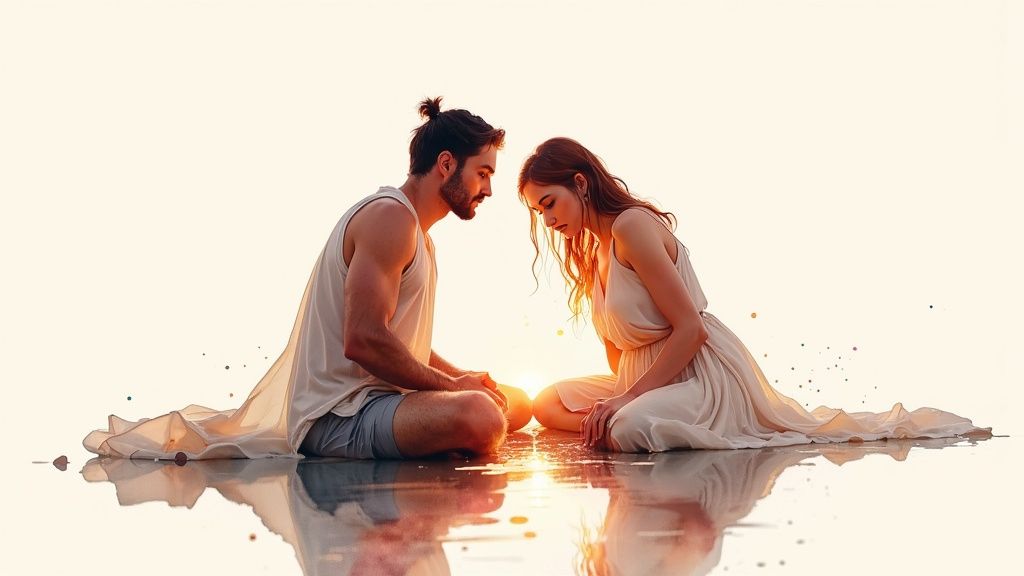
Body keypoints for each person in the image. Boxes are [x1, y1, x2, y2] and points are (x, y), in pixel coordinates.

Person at [84, 97, 531, 460]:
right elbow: (363, 339)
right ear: (447, 164)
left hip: (380, 402)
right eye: (484, 173)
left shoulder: (415, 230)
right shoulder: (389, 219)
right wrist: (453, 390)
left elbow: (397, 336)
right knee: (482, 416)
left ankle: (447, 426)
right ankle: (448, 431)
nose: (488, 190)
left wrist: (461, 375)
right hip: (339, 416)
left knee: (515, 401)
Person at [519, 137, 988, 452]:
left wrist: (624, 402)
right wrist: (619, 392)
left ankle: (647, 417)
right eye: (539, 211)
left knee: (624, 426)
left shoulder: (631, 227)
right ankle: (633, 415)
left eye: (549, 204)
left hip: (698, 373)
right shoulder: (593, 251)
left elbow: (692, 330)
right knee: (548, 402)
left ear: (580, 183)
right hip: (646, 378)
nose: (548, 219)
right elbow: (618, 351)